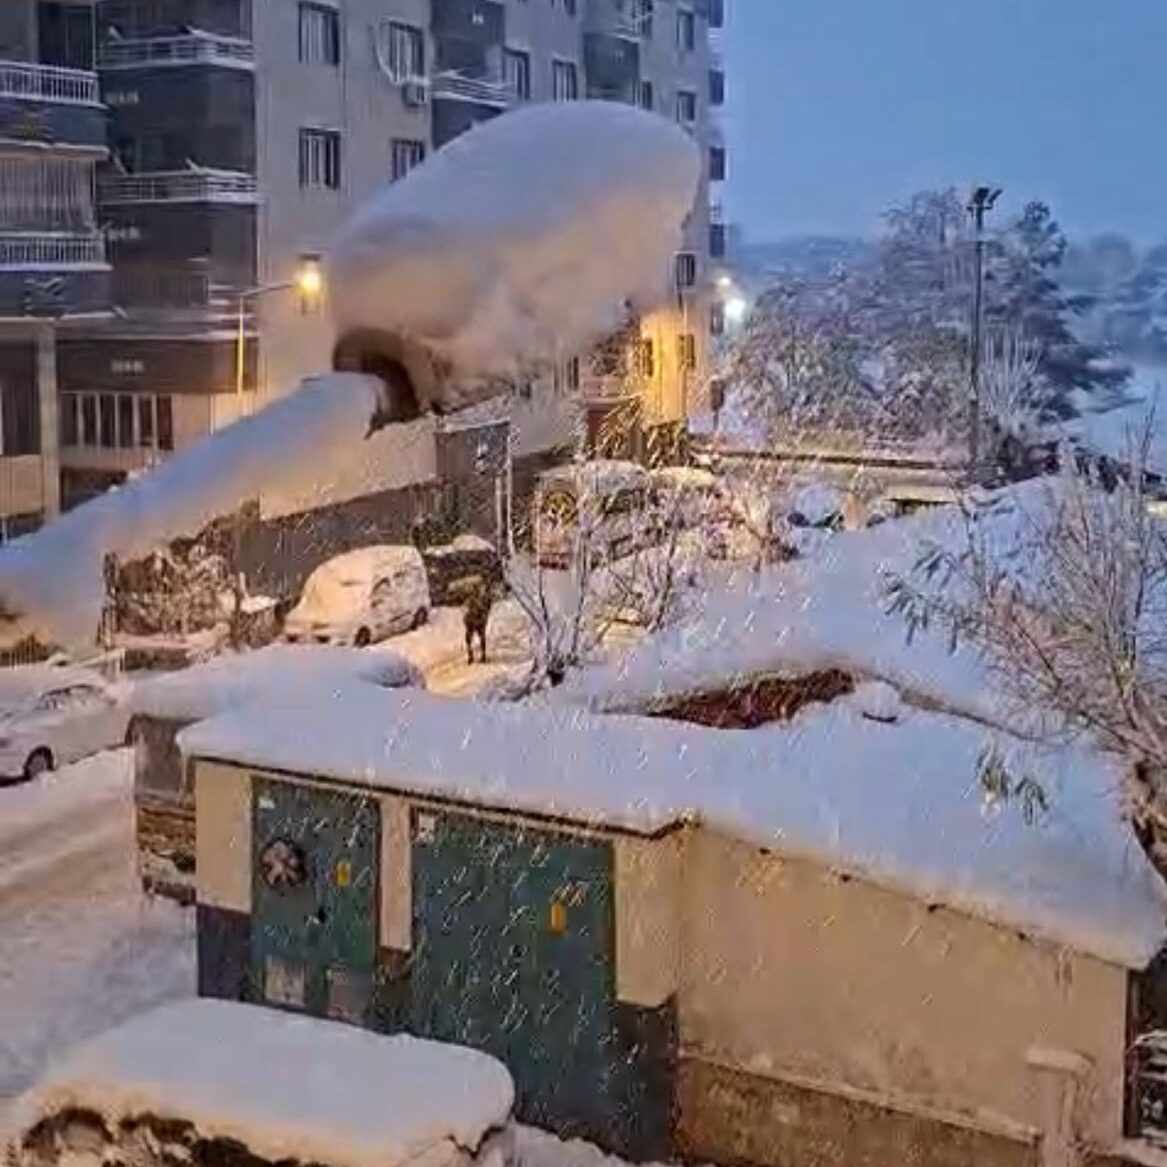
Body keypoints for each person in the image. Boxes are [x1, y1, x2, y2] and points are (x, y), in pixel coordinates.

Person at [463, 575, 492, 664]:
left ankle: (478, 655)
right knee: (473, 638)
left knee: (475, 637)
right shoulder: (476, 598)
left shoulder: (483, 598)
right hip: (475, 620)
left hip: (477, 620)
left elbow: (487, 608)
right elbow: (467, 607)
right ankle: (473, 655)